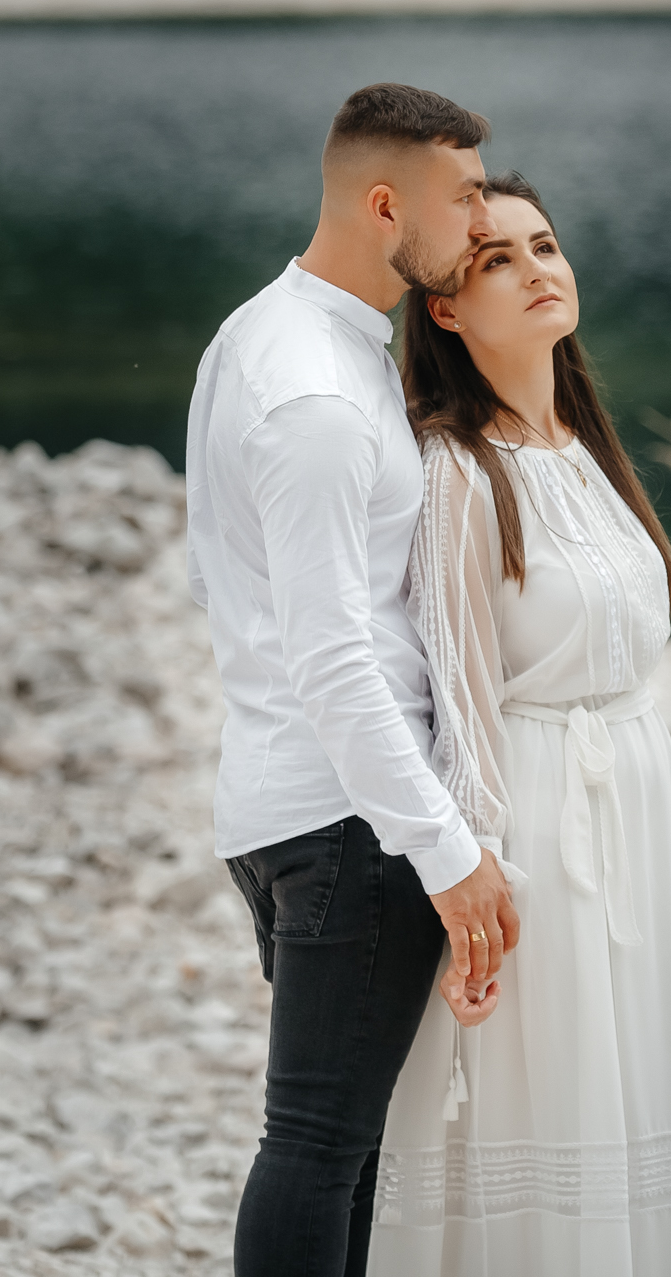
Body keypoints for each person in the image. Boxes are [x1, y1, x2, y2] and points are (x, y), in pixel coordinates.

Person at [372, 172, 671, 1272]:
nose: (537, 270)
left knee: (643, 1077)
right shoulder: (455, 469)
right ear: (447, 309)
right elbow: (460, 694)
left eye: (544, 246)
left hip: (639, 799)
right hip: (540, 814)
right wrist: (478, 878)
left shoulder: (583, 448)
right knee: (553, 1091)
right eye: (496, 260)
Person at [184, 82, 522, 1277]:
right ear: (387, 205)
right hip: (349, 821)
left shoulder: (269, 334)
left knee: (343, 1146)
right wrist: (446, 848)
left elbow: (226, 582)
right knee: (322, 1144)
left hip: (293, 804)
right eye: (465, 196)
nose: (481, 221)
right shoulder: (318, 397)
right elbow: (335, 657)